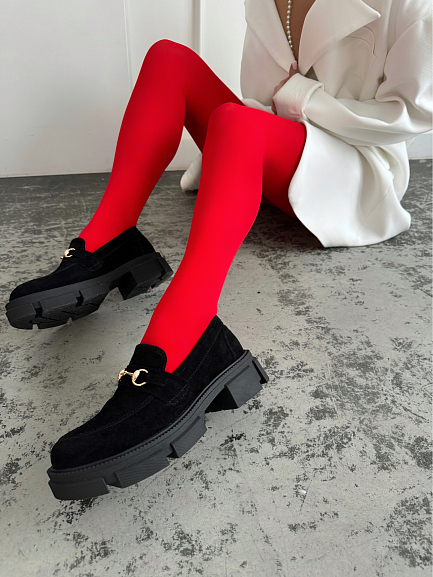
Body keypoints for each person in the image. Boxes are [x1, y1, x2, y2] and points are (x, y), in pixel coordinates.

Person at [5, 0, 432, 500]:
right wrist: (266, 125)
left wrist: (298, 99)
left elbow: (416, 110)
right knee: (169, 58)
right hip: (278, 153)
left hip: (354, 168)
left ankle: (186, 335)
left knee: (236, 122)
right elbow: (259, 96)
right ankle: (109, 239)